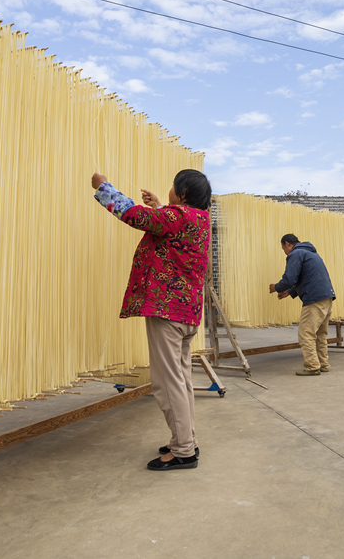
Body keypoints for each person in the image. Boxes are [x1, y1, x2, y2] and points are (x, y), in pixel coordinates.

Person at [91, 169, 211, 471]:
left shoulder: (177, 216)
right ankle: (187, 439)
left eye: (172, 187)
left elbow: (135, 216)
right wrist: (160, 207)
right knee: (180, 380)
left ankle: (183, 450)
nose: (168, 189)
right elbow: (170, 228)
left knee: (166, 383)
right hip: (187, 313)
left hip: (167, 311)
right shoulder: (199, 220)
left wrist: (103, 188)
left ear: (182, 194)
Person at [269, 234, 336, 376]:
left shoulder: (296, 253)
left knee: (306, 333)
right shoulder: (311, 253)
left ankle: (312, 367)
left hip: (314, 298)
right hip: (326, 297)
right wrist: (290, 292)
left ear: (288, 244)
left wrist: (277, 287)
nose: (285, 253)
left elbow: (290, 278)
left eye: (283, 249)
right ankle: (323, 364)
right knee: (320, 334)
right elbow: (307, 278)